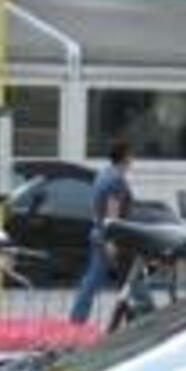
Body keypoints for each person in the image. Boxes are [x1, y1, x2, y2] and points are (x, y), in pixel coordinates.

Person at [68, 139, 136, 325]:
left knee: (126, 278)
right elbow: (112, 211)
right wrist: (111, 241)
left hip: (99, 232)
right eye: (131, 155)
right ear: (126, 157)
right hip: (111, 237)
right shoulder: (116, 180)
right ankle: (77, 320)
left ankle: (134, 315)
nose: (133, 159)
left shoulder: (103, 174)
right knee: (96, 280)